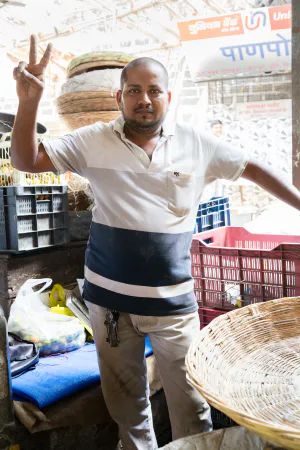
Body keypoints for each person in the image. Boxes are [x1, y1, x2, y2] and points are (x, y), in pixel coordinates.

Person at [12, 35, 300, 450]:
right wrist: (28, 101)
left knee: (193, 408)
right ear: (119, 97)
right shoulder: (92, 140)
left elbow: (254, 169)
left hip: (173, 305)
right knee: (127, 410)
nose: (143, 99)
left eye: (153, 90)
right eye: (133, 90)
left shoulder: (197, 145)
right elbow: (26, 160)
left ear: (169, 96)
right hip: (110, 305)